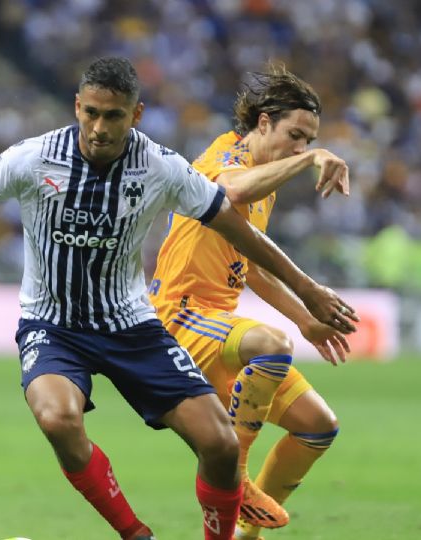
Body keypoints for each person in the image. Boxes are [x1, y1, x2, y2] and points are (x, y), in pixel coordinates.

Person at [0, 57, 359, 540]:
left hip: (131, 324)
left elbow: (238, 231)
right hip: (54, 323)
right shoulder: (34, 157)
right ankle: (135, 534)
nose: (99, 127)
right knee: (58, 417)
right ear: (77, 107)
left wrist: (308, 292)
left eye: (114, 116)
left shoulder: (158, 166)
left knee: (224, 445)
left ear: (136, 115)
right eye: (91, 113)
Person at [148, 65, 354, 539]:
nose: (300, 147)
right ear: (263, 123)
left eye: (308, 141)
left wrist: (307, 320)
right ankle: (235, 474)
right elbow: (230, 192)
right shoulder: (224, 156)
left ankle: (246, 533)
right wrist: (312, 159)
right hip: (180, 314)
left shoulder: (268, 186)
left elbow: (255, 266)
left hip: (217, 322)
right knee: (271, 345)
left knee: (318, 427)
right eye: (295, 136)